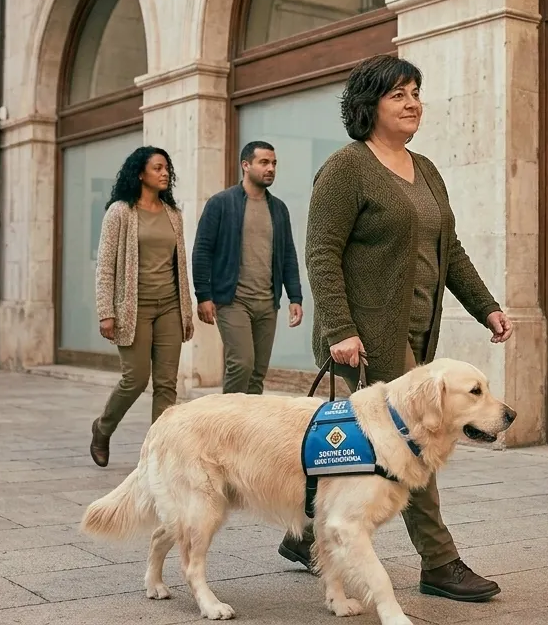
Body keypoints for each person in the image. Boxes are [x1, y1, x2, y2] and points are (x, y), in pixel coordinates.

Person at [276, 55, 514, 602]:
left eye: (415, 93)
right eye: (398, 95)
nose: (412, 103)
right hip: (364, 339)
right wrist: (338, 326)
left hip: (417, 335)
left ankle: (306, 534)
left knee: (361, 453)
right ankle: (439, 561)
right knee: (418, 443)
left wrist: (487, 307)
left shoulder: (425, 168)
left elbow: (447, 250)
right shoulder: (346, 168)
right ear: (369, 106)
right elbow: (321, 253)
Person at [89, 146, 195, 467]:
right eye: (158, 168)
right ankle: (102, 428)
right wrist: (106, 312)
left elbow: (181, 266)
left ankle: (157, 456)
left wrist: (186, 311)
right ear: (140, 173)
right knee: (135, 379)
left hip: (170, 309)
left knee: (166, 384)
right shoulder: (120, 212)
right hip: (134, 309)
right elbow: (105, 265)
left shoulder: (173, 214)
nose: (165, 174)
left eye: (167, 169)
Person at [192, 140, 304, 395]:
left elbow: (288, 255)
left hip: (267, 302)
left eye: (274, 163)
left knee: (257, 373)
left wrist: (294, 296)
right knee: (241, 364)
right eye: (264, 162)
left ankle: (247, 431)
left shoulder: (278, 208)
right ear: (246, 165)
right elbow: (202, 251)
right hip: (233, 301)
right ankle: (224, 425)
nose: (271, 168)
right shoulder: (221, 203)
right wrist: (204, 295)